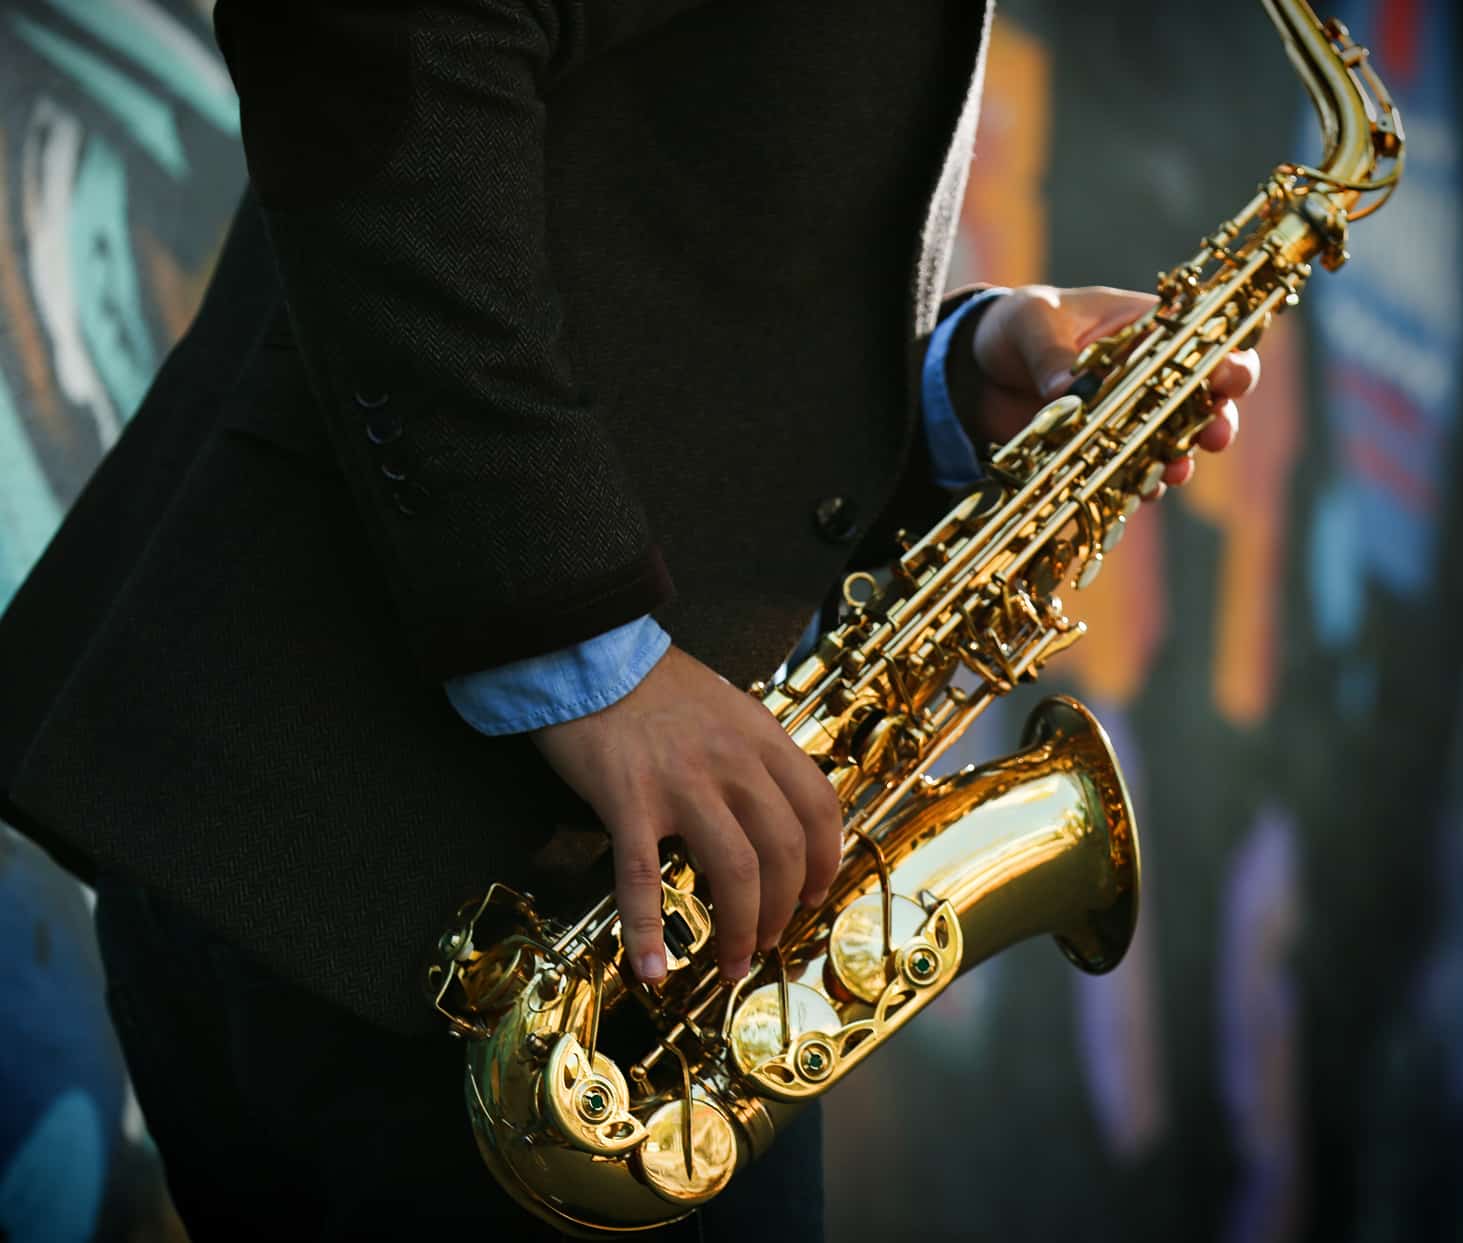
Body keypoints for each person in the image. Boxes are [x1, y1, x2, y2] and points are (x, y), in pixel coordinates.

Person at [0, 1, 1257, 1238]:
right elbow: (367, 34)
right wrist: (576, 646)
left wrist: (942, 386)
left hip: (462, 896)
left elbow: (656, 218)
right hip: (439, 903)